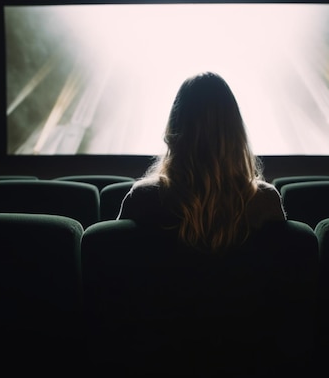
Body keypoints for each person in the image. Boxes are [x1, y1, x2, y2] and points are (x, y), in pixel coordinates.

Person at [117, 71, 286, 252]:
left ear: (175, 129)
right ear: (236, 134)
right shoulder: (265, 200)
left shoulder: (144, 197)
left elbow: (114, 256)